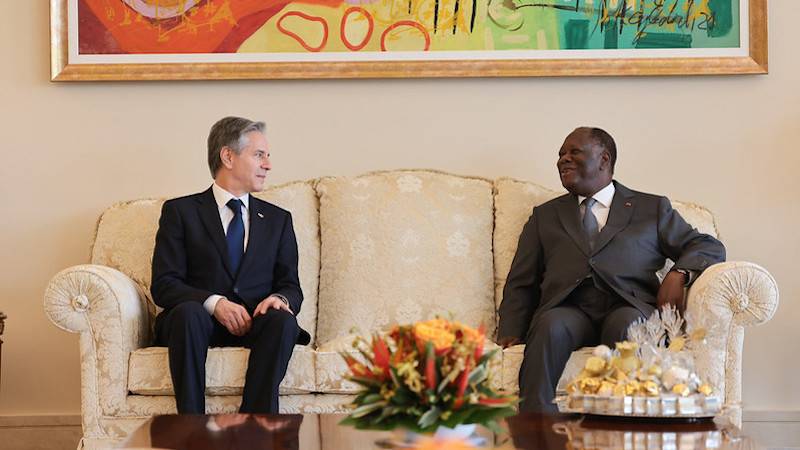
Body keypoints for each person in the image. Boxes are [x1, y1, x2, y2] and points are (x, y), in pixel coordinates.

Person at [496, 127, 726, 412]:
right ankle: (536, 432)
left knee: (630, 327)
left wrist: (679, 274)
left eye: (573, 152)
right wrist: (510, 328)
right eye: (560, 155)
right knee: (548, 327)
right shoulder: (545, 216)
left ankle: (624, 432)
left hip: (627, 305)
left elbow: (707, 246)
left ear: (603, 159)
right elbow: (522, 280)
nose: (562, 159)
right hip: (568, 308)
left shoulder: (650, 208)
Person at [151, 116, 310, 414]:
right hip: (197, 323)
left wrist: (279, 299)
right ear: (228, 156)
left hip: (255, 323)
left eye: (268, 156)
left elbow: (291, 285)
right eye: (259, 154)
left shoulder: (278, 220)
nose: (268, 164)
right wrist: (214, 303)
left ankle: (256, 426)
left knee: (283, 320)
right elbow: (164, 284)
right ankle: (192, 427)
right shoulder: (181, 212)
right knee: (187, 313)